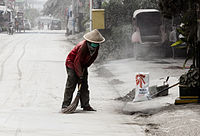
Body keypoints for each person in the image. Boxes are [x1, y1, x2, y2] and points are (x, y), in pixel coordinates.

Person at [62, 29, 105, 112]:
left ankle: (85, 105)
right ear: (89, 41)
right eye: (93, 43)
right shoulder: (83, 46)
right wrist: (80, 75)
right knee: (72, 82)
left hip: (83, 65)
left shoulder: (96, 48)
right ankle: (65, 104)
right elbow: (76, 61)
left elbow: (92, 59)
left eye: (96, 44)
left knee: (84, 84)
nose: (95, 45)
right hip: (71, 63)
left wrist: (84, 69)